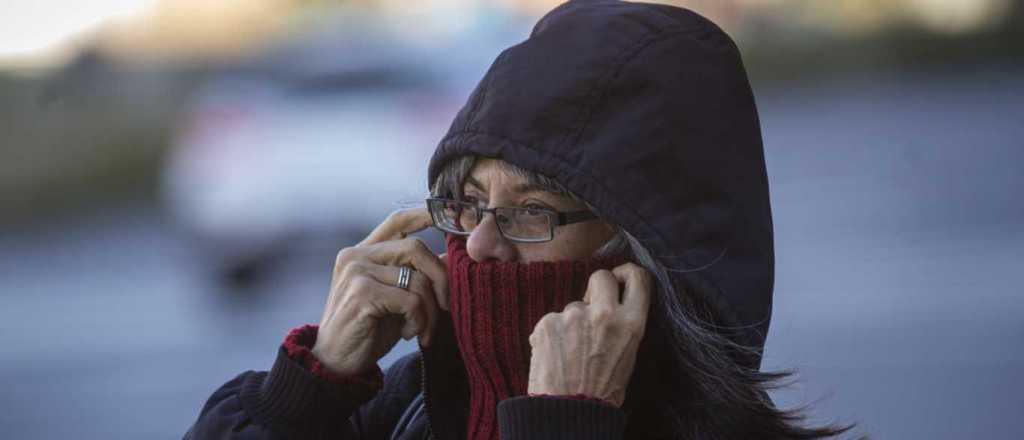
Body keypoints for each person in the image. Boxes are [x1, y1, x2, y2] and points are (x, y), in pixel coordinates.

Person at [185, 1, 851, 439]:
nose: (476, 245)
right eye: (468, 202)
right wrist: (303, 398)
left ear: (646, 249)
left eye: (531, 210)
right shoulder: (404, 411)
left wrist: (563, 426)